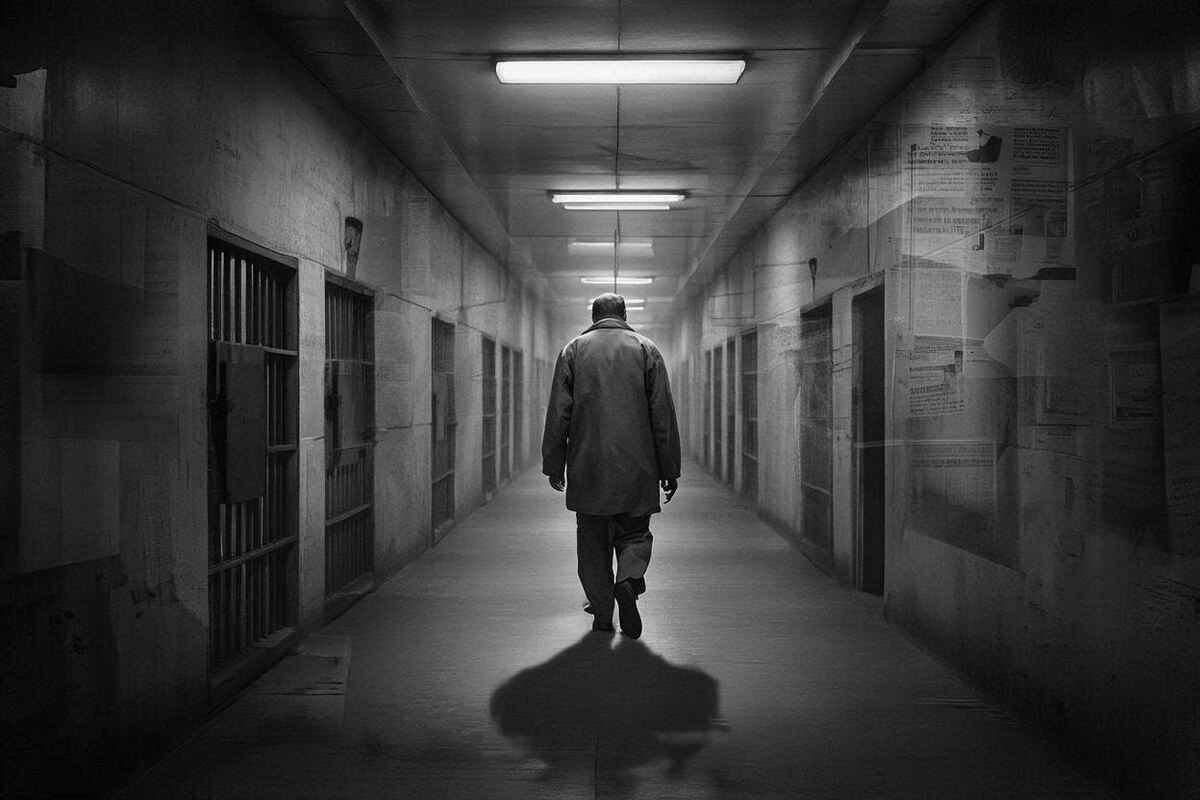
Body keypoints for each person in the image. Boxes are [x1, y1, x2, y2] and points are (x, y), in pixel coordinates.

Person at [542, 293, 681, 638]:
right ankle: (629, 582)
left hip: (588, 467)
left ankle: (603, 614)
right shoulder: (646, 349)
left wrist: (554, 461)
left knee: (592, 543)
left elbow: (560, 412)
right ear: (624, 314)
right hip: (638, 467)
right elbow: (661, 414)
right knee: (634, 532)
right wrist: (669, 467)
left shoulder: (573, 350)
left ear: (593, 315)